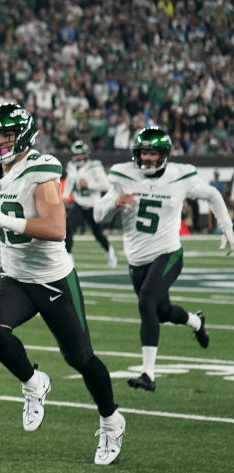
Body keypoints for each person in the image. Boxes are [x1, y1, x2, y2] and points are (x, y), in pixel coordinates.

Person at [0, 103, 126, 465]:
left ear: (24, 135)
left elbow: (57, 230)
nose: (0, 141)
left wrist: (4, 223)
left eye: (7, 134)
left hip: (51, 277)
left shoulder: (41, 169)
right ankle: (33, 382)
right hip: (14, 273)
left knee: (80, 358)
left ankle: (110, 420)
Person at [94, 127, 234, 391]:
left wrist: (226, 226)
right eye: (143, 152)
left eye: (153, 152)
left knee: (147, 301)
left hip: (169, 252)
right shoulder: (123, 175)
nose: (147, 158)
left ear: (164, 154)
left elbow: (213, 195)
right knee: (161, 313)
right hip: (137, 261)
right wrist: (114, 203)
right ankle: (196, 321)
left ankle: (148, 373)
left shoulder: (180, 175)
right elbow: (99, 214)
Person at [61, 140, 117, 266]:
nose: (78, 157)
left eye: (80, 154)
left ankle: (109, 250)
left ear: (86, 154)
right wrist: (65, 197)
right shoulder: (71, 166)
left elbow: (106, 185)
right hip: (79, 204)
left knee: (98, 234)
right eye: (76, 154)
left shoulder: (95, 166)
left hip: (93, 205)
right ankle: (68, 257)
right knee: (68, 228)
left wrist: (89, 185)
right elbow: (69, 182)